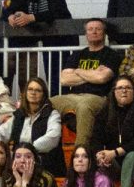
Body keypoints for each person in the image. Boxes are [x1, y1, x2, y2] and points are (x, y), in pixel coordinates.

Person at [52, 19, 122, 148]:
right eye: (90, 29)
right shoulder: (78, 54)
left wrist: (77, 71)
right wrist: (92, 73)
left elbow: (102, 78)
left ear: (104, 33)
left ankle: (80, 151)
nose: (94, 32)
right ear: (86, 34)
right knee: (46, 103)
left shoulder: (111, 55)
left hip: (98, 98)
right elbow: (64, 79)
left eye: (98, 29)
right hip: (73, 97)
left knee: (84, 106)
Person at [0, 77, 64, 178]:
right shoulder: (19, 115)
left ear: (43, 95)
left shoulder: (52, 114)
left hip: (43, 161)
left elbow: (52, 138)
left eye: (38, 90)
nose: (33, 93)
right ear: (25, 93)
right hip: (18, 161)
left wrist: (27, 151)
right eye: (30, 89)